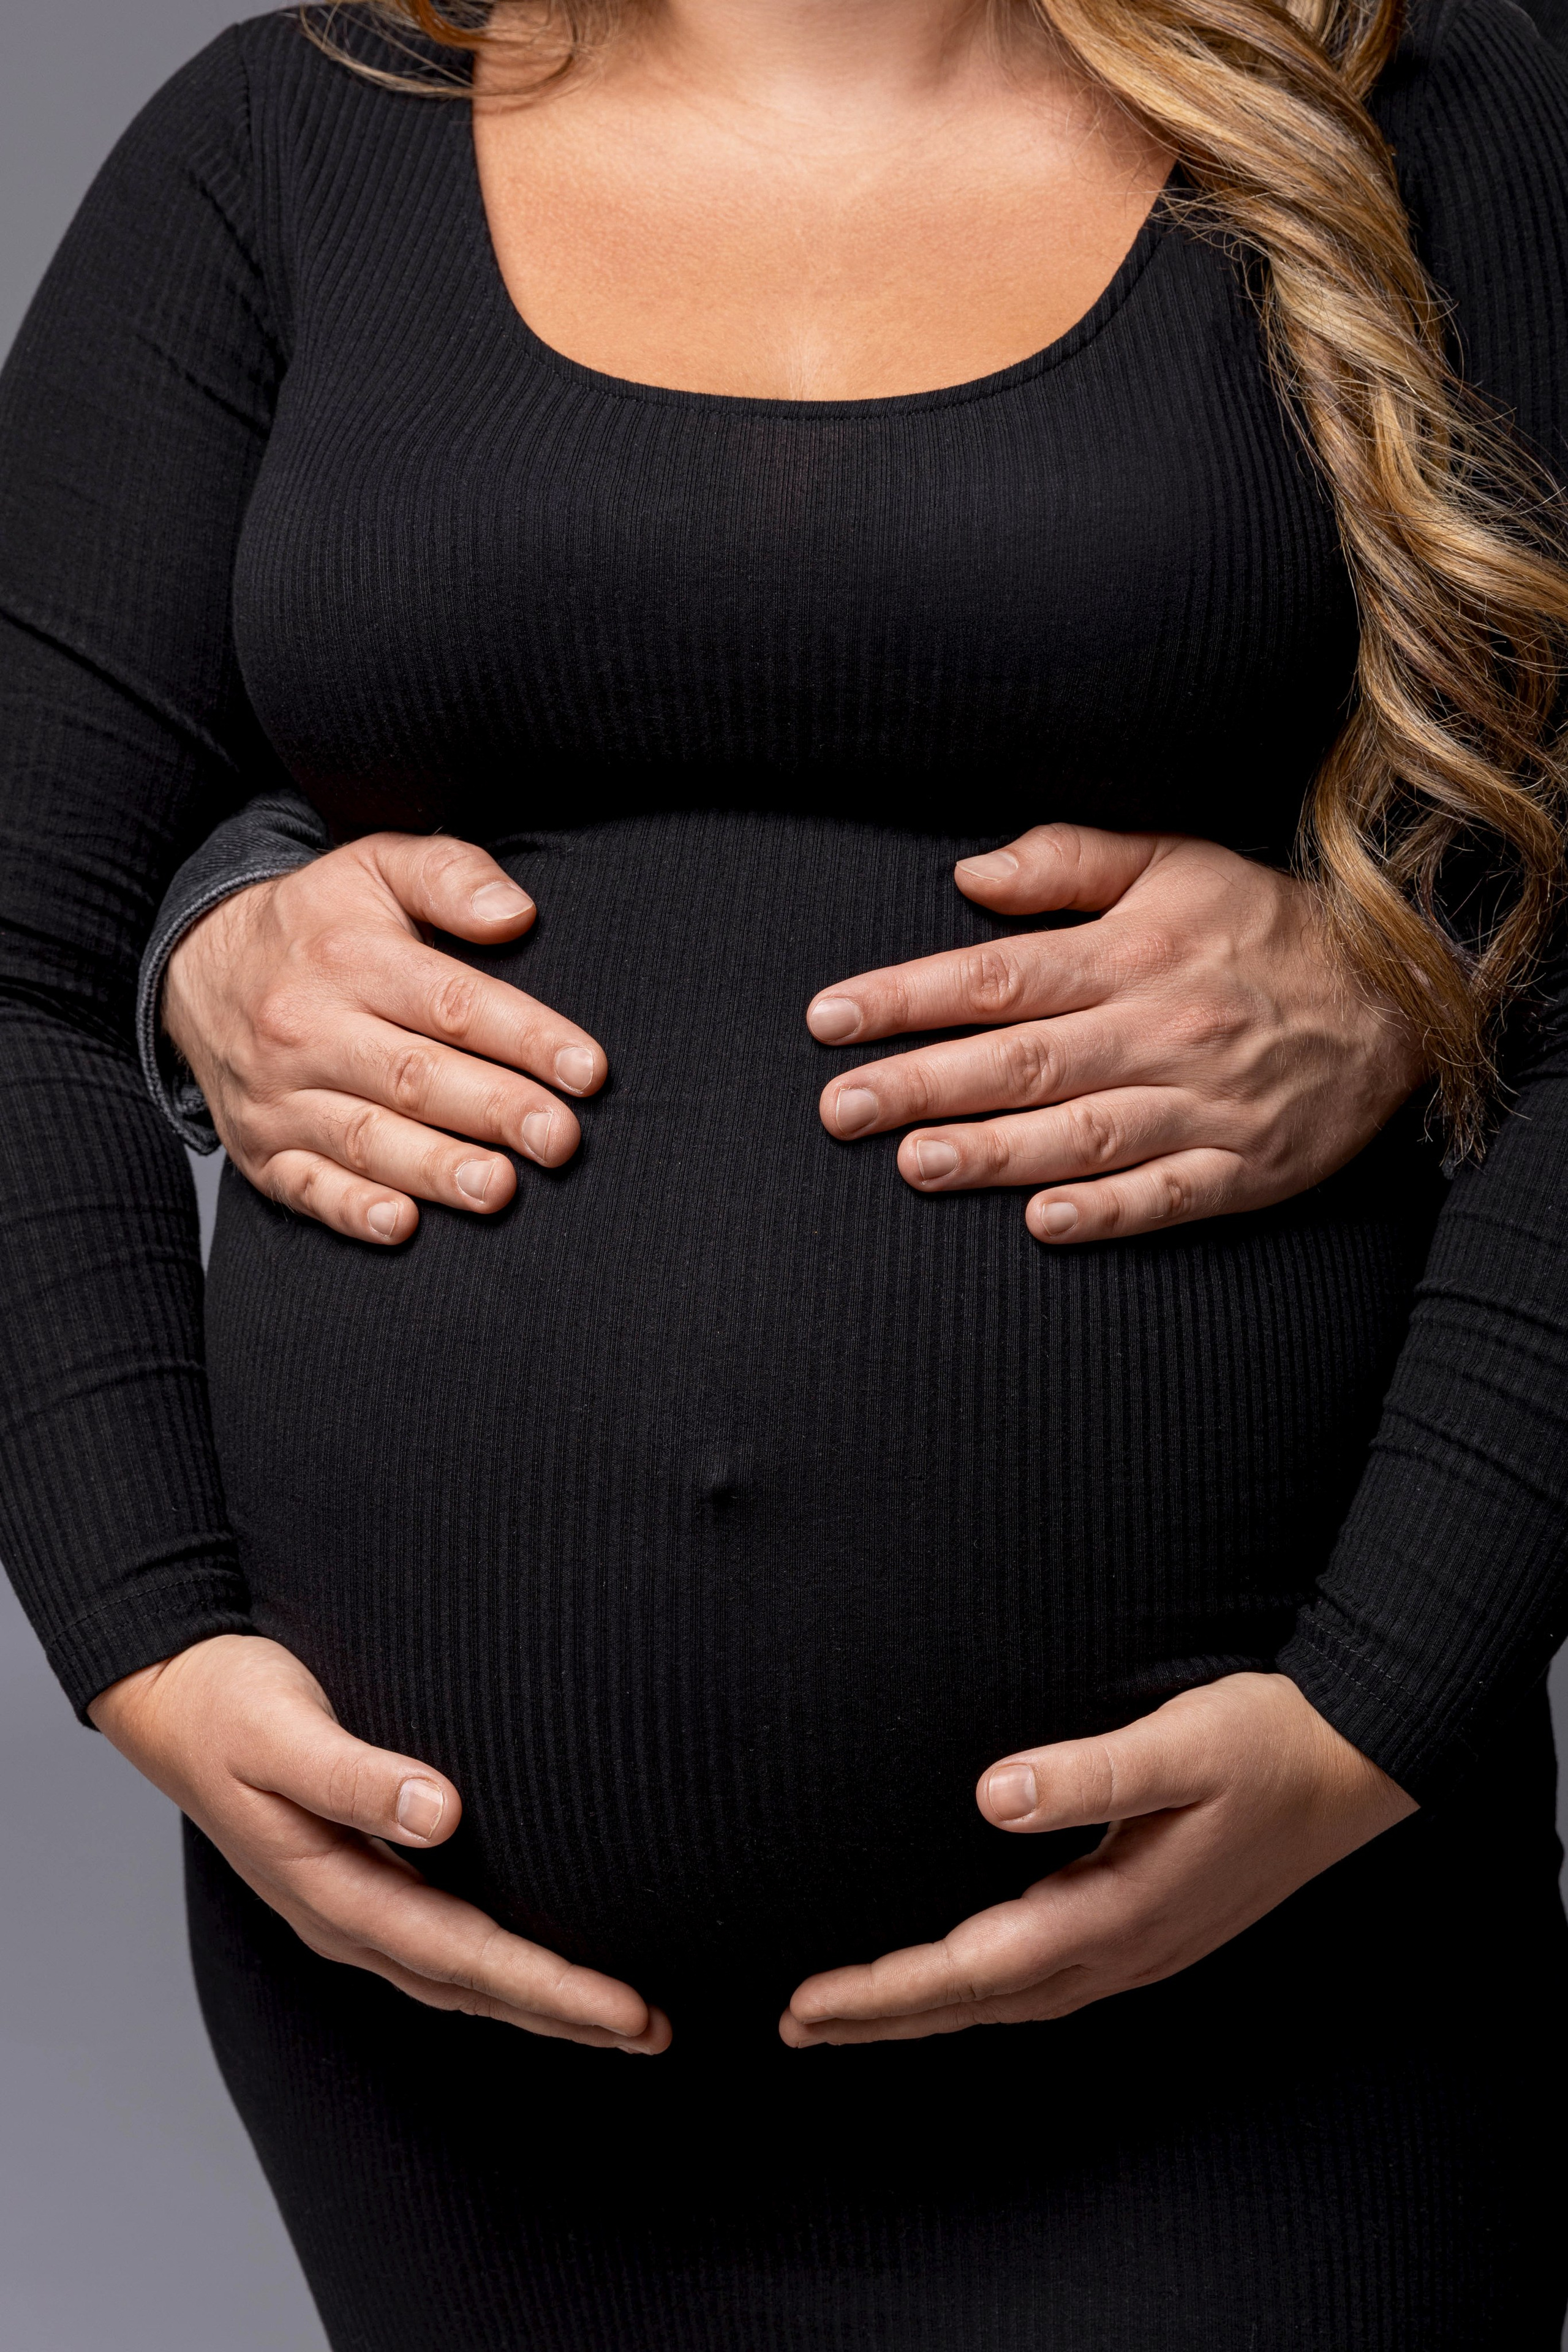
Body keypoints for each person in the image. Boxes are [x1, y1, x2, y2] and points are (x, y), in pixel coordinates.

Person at [2, 0, 1567, 2343]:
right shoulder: (293, 138)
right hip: (454, 2065)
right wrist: (143, 1639)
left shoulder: (1437, 112)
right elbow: (16, 957)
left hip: (1270, 1990)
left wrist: (1378, 1715)